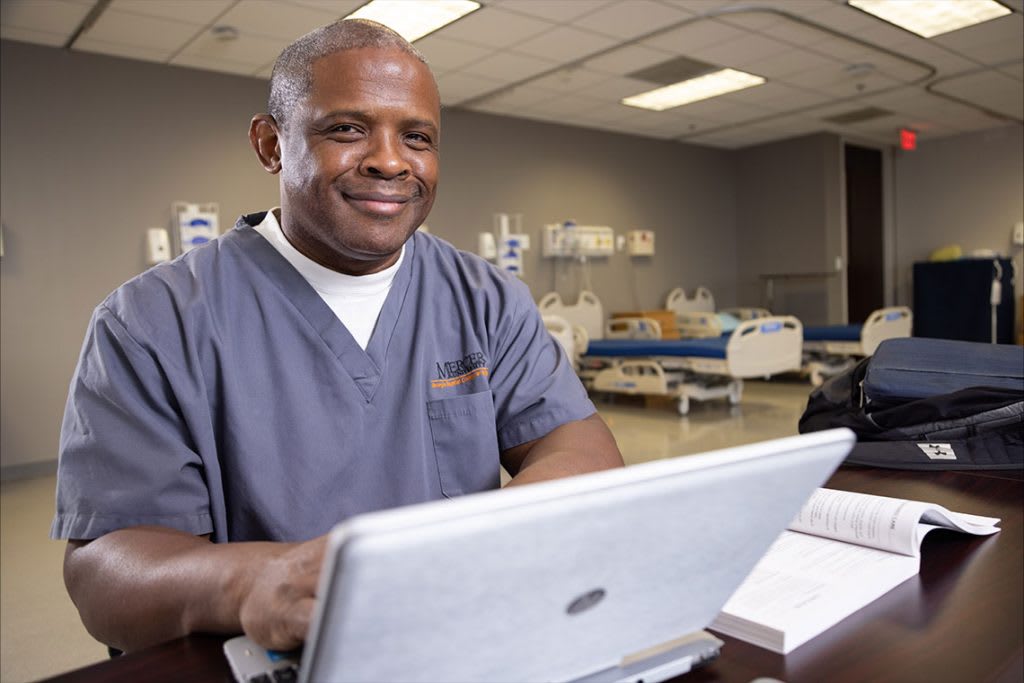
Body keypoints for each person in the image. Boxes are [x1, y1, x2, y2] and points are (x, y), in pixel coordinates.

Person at [52, 18, 624, 655]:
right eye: (347, 129)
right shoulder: (151, 323)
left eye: (418, 137)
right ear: (271, 145)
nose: (389, 160)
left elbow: (584, 452)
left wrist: (459, 551)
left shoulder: (485, 298)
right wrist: (251, 584)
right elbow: (105, 568)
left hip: (458, 637)